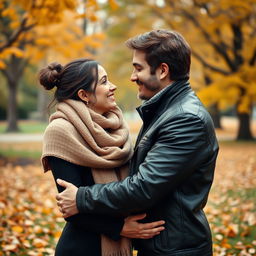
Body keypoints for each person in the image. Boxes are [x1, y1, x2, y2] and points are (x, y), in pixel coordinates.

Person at [56, 30, 219, 256]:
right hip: (163, 244)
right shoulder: (164, 110)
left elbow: (143, 187)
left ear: (162, 70)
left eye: (138, 68)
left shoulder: (184, 119)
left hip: (176, 249)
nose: (132, 77)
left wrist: (81, 198)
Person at [39, 58, 165, 256]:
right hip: (82, 248)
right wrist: (119, 227)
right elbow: (70, 207)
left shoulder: (115, 126)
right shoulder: (60, 131)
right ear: (84, 95)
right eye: (104, 81)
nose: (112, 86)